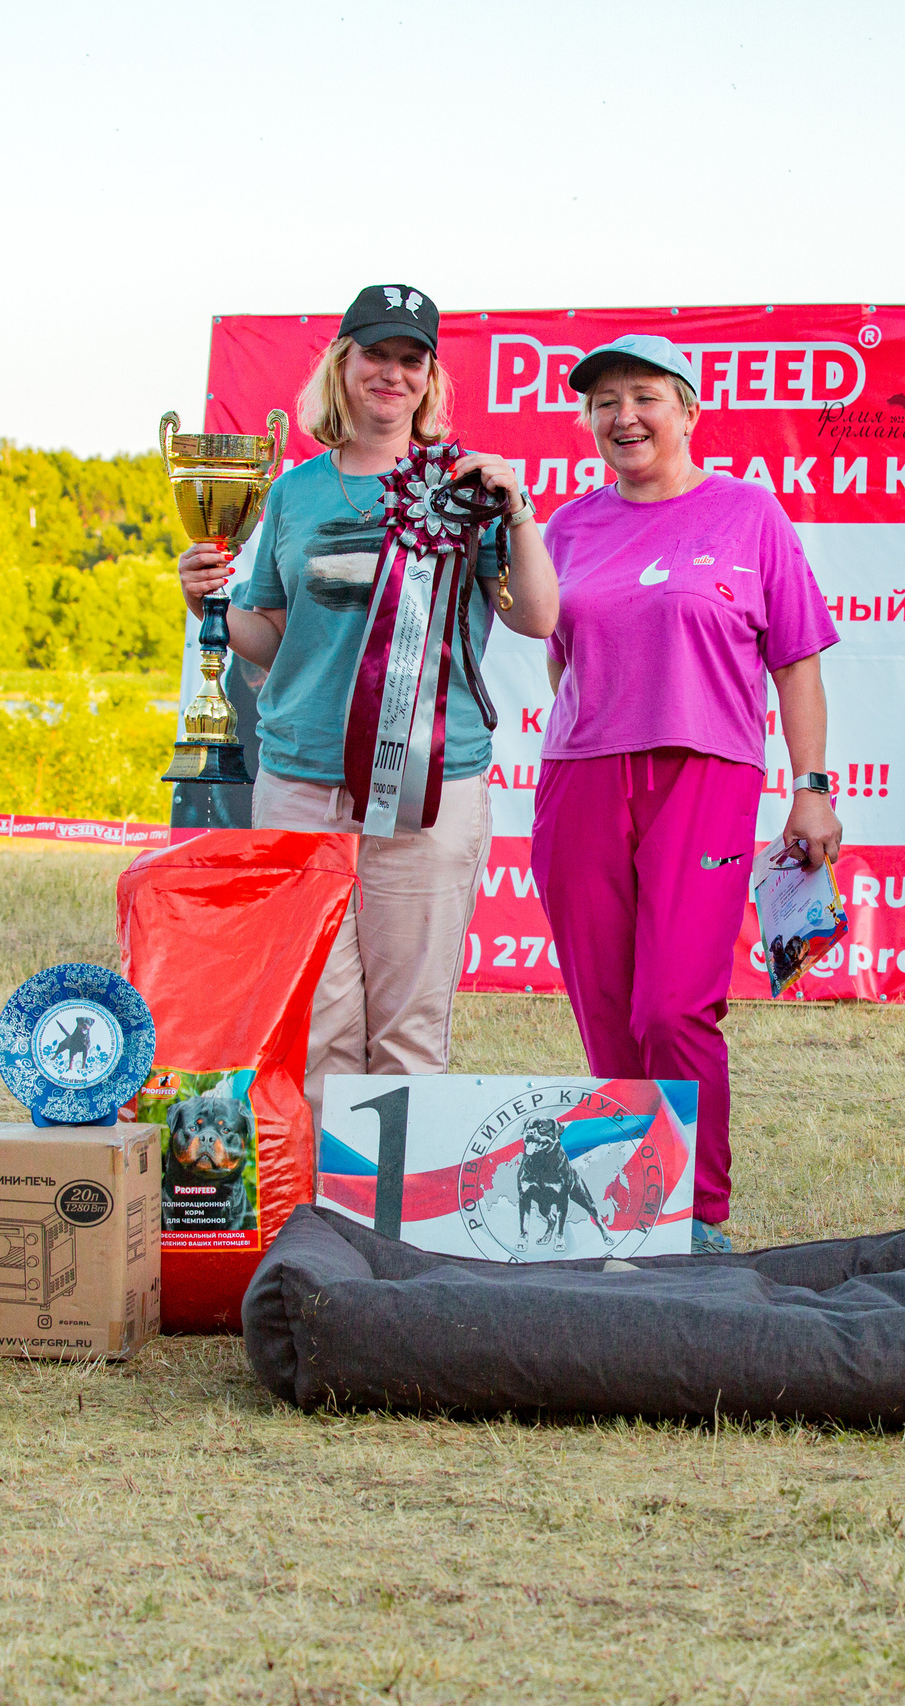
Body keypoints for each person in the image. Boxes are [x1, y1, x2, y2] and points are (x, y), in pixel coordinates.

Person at [177, 284, 558, 1119]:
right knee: (317, 1020)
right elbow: (275, 638)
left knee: (409, 1028)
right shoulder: (292, 493)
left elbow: (535, 618)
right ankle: (321, 1225)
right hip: (300, 778)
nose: (391, 373)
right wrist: (207, 600)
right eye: (375, 354)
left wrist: (520, 513)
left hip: (430, 784)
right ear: (341, 365)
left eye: (410, 360)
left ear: (430, 380)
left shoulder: (468, 489)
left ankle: (396, 1230)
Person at [532, 334, 841, 1254]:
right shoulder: (568, 527)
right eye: (604, 402)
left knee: (672, 1006)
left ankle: (698, 1215)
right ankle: (637, 1213)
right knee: (605, 1005)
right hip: (581, 778)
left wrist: (812, 787)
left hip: (705, 773)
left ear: (690, 409)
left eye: (645, 397)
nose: (623, 416)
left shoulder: (749, 514)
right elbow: (562, 664)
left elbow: (797, 665)